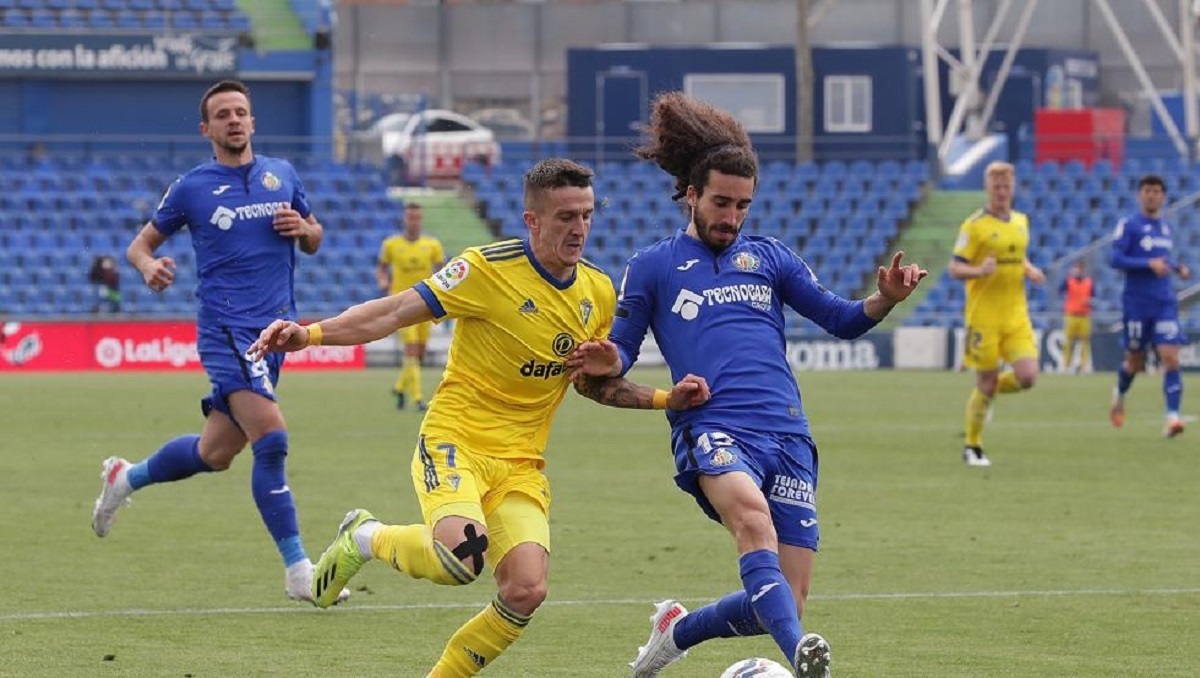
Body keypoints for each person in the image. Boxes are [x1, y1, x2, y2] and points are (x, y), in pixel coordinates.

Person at [247, 158, 710, 677]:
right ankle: (365, 537)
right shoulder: (485, 270)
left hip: (520, 466)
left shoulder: (598, 293)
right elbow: (396, 310)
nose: (578, 228)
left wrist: (665, 399)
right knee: (459, 559)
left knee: (526, 589)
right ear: (531, 220)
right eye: (564, 217)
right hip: (456, 441)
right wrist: (310, 335)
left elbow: (592, 385)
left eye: (585, 215)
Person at [564, 92, 927, 678]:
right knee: (752, 524)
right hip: (712, 426)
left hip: (788, 433)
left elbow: (840, 319)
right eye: (721, 203)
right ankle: (802, 663)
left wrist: (884, 298)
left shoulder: (770, 258)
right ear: (691, 194)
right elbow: (620, 357)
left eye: (742, 206)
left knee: (782, 599)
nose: (731, 218)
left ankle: (676, 631)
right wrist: (609, 357)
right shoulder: (653, 265)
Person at [90, 79, 348, 604]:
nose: (234, 120)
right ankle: (300, 571)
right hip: (227, 329)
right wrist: (147, 267)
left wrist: (304, 227)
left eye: (242, 112)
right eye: (223, 114)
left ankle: (125, 477)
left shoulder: (284, 175)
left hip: (277, 332)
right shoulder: (192, 187)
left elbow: (317, 237)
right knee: (271, 439)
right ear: (207, 128)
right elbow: (140, 245)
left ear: (253, 122)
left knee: (215, 452)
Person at [948, 161, 1045, 468]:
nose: (1002, 192)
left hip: (1016, 315)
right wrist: (979, 270)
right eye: (996, 187)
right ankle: (972, 446)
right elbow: (955, 267)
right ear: (988, 189)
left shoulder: (1021, 221)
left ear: (1013, 188)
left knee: (1028, 376)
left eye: (1006, 187)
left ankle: (986, 395)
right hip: (983, 317)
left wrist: (1028, 269)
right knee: (986, 381)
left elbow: (1016, 254)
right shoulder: (974, 226)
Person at [1109, 174, 1191, 437]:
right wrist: (1147, 265)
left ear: (1163, 197)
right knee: (1134, 361)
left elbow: (1162, 259)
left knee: (1171, 357)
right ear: (1139, 195)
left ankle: (1172, 418)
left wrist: (1177, 268)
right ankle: (1119, 393)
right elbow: (1115, 259)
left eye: (1156, 191)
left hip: (1164, 302)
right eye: (1147, 190)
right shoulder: (1129, 225)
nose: (1152, 195)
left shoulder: (1166, 227)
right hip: (1136, 304)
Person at [376, 202, 445, 410]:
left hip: (425, 303)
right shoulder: (391, 245)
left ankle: (399, 387)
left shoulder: (432, 245)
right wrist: (382, 280)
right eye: (410, 217)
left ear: (421, 220)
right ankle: (417, 399)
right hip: (401, 305)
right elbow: (382, 268)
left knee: (420, 353)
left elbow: (442, 271)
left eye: (417, 217)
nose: (413, 221)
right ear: (404, 219)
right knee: (412, 349)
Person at [1060, 260, 1093, 374]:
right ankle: (1065, 366)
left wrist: (1089, 301)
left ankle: (1084, 366)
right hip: (1071, 314)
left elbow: (1093, 296)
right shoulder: (1068, 281)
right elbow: (1060, 290)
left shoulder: (1089, 282)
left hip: (1084, 315)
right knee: (1068, 342)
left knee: (1084, 342)